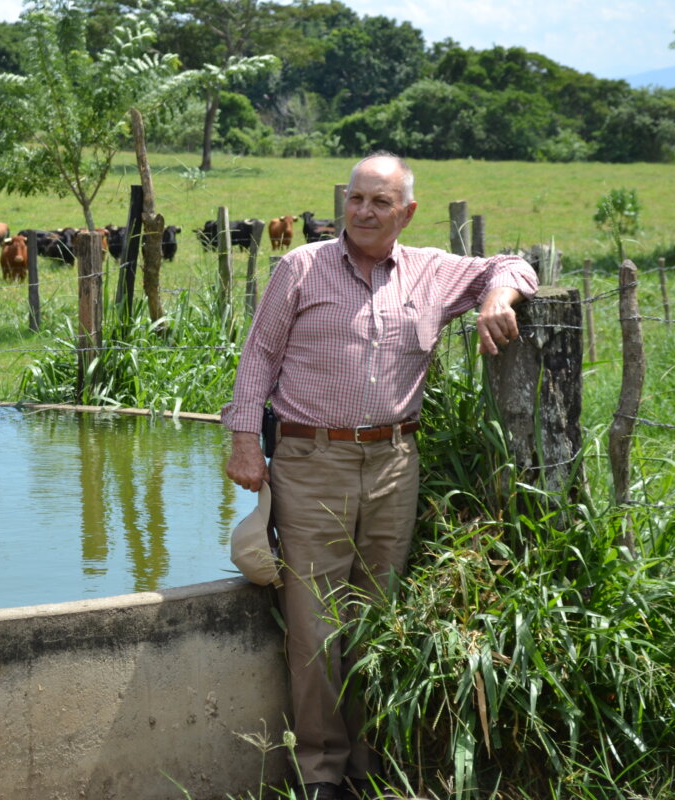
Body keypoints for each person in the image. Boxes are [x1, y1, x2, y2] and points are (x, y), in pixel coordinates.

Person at [222, 152, 538, 800]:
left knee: (379, 614)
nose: (364, 211)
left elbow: (513, 264)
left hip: (395, 463)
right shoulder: (300, 268)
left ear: (407, 212)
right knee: (315, 623)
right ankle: (321, 773)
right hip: (312, 462)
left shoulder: (431, 271)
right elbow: (258, 356)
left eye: (380, 202)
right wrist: (244, 443)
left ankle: (373, 765)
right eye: (356, 199)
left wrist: (497, 297)